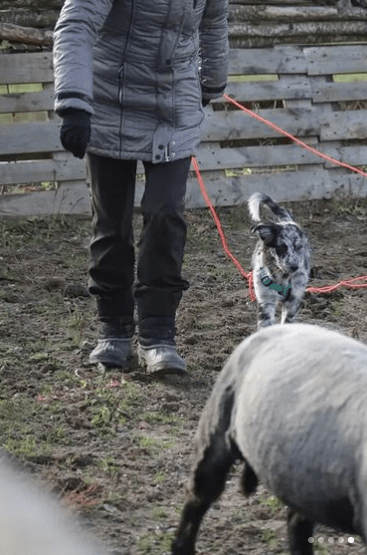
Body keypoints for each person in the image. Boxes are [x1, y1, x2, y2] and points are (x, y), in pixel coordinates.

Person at [52, 0, 229, 374]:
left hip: (175, 104)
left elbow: (214, 20)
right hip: (109, 99)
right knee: (111, 221)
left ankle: (158, 333)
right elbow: (77, 23)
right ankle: (114, 329)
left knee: (166, 212)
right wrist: (73, 103)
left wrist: (212, 80)